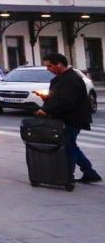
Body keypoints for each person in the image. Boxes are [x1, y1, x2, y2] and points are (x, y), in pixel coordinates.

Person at [37, 53, 101, 184]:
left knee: (68, 146)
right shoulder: (61, 78)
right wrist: (47, 99)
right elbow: (59, 97)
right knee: (70, 145)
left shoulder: (71, 79)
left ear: (59, 64)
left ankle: (69, 175)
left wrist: (46, 109)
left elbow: (67, 102)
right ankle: (89, 172)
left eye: (49, 66)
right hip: (65, 118)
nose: (48, 69)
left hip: (72, 118)